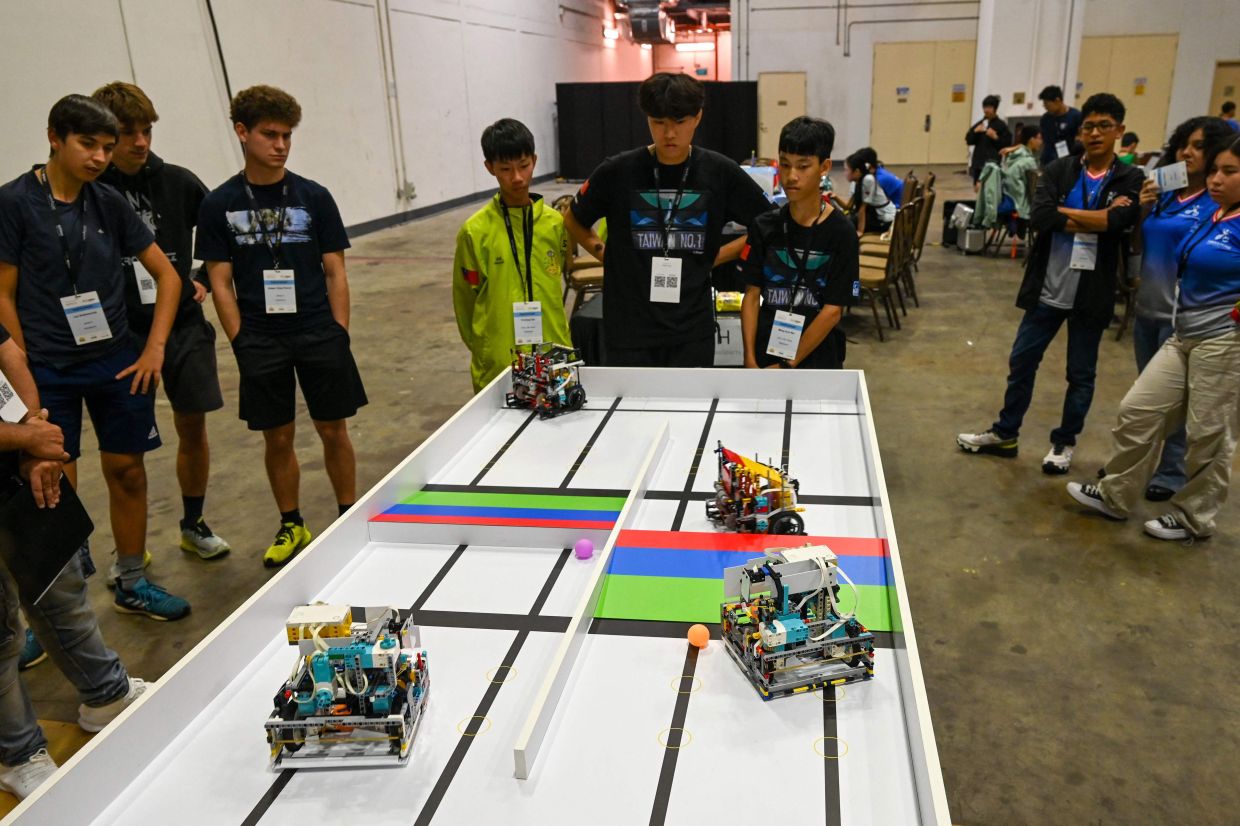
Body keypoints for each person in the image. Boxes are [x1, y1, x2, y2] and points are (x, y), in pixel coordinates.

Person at [0, 95, 189, 620]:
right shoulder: (14, 203)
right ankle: (60, 601)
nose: (100, 157)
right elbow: (3, 296)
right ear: (54, 138)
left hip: (116, 362)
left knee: (127, 470)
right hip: (47, 371)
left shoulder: (109, 202)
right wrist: (23, 378)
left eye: (107, 147)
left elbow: (169, 275)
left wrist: (153, 347)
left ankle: (131, 578)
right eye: (88, 144)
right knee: (53, 478)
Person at [198, 85, 367, 568]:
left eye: (287, 136)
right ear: (242, 132)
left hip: (317, 329)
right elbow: (220, 279)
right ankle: (292, 522)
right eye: (269, 134)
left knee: (334, 428)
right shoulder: (219, 204)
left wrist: (339, 330)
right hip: (261, 338)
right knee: (278, 436)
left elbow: (334, 269)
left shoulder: (314, 196)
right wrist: (240, 340)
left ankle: (348, 514)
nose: (280, 145)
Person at [957, 93, 1144, 474]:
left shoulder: (1129, 176)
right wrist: (1098, 216)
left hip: (1090, 293)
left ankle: (1064, 442)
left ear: (1119, 131)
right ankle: (1006, 433)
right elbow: (1040, 216)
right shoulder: (1061, 170)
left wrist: (1074, 214)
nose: (1094, 133)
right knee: (1022, 360)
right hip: (1048, 287)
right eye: (1088, 126)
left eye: (1103, 126)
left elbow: (1120, 223)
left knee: (1080, 373)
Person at [1067, 134, 1240, 541]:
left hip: (1222, 339)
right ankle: (1116, 493)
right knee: (1138, 409)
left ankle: (1195, 517)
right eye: (1215, 170)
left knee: (1207, 433)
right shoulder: (1214, 214)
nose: (1216, 179)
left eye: (1228, 172)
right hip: (1184, 334)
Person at [0, 322, 147, 800]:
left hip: (16, 468)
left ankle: (106, 696)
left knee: (58, 590)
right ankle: (18, 753)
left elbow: (11, 356)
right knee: (1, 633)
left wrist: (33, 436)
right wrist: (24, 441)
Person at [92, 82, 230, 561]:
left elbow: (221, 237)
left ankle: (193, 522)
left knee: (193, 426)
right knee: (126, 450)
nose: (140, 142)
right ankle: (130, 552)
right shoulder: (90, 190)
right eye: (128, 133)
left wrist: (200, 279)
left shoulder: (178, 181)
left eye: (146, 130)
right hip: (121, 334)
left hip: (184, 328)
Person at [564, 72, 772, 368]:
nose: (669, 133)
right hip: (630, 327)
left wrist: (715, 257)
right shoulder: (618, 171)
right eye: (658, 122)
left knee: (689, 410)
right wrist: (605, 254)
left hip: (691, 326)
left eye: (679, 122)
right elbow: (573, 219)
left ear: (697, 117)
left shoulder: (718, 171)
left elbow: (767, 225)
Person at [1126, 117, 1232, 501]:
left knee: (1179, 404)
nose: (1188, 152)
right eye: (1184, 144)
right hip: (1148, 309)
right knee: (1148, 404)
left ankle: (1171, 472)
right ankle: (1138, 468)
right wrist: (1142, 208)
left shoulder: (1218, 201)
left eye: (1199, 146)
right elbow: (1140, 242)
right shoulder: (1168, 185)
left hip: (1185, 319)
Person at [453, 119, 572, 392]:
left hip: (552, 350)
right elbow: (465, 301)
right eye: (505, 169)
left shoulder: (555, 224)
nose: (517, 177)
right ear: (490, 168)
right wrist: (485, 347)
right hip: (499, 359)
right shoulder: (475, 232)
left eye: (524, 165)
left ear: (534, 160)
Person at [740, 117, 858, 371]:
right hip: (766, 353)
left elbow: (833, 310)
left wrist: (788, 365)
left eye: (803, 166)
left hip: (817, 358)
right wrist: (749, 357)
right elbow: (751, 295)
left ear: (824, 166)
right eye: (785, 165)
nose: (791, 176)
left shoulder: (841, 232)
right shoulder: (765, 226)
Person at [831, 148, 895, 237]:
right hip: (872, 216)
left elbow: (862, 209)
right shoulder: (857, 181)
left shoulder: (868, 179)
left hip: (884, 219)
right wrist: (834, 196)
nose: (844, 173)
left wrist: (860, 231)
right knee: (842, 220)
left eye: (846, 170)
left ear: (856, 171)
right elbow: (848, 206)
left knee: (846, 226)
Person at [966, 94, 1013, 184]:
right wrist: (975, 132)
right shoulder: (981, 123)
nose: (986, 110)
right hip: (978, 163)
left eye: (989, 107)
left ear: (995, 108)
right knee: (978, 189)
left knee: (990, 190)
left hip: (992, 165)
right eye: (984, 107)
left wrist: (995, 137)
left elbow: (1007, 145)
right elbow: (969, 140)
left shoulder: (1001, 125)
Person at [999, 125, 1043, 219]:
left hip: (1007, 198)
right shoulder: (1029, 162)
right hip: (1019, 205)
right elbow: (1034, 188)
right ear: (1031, 139)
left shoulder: (1014, 155)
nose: (1041, 142)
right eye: (1039, 138)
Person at [1038, 85, 1083, 166]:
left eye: (1047, 104)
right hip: (1048, 161)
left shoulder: (1076, 116)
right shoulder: (1045, 119)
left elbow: (1081, 136)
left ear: (1057, 101)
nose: (1046, 107)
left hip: (1069, 161)